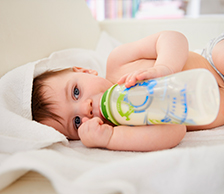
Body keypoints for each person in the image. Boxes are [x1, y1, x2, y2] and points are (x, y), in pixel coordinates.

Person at [32, 31, 224, 152]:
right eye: (76, 122)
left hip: (212, 64)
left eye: (75, 92)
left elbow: (172, 38)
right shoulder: (127, 126)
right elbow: (176, 130)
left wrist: (165, 67)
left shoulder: (118, 62)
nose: (85, 109)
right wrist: (110, 138)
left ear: (85, 71)